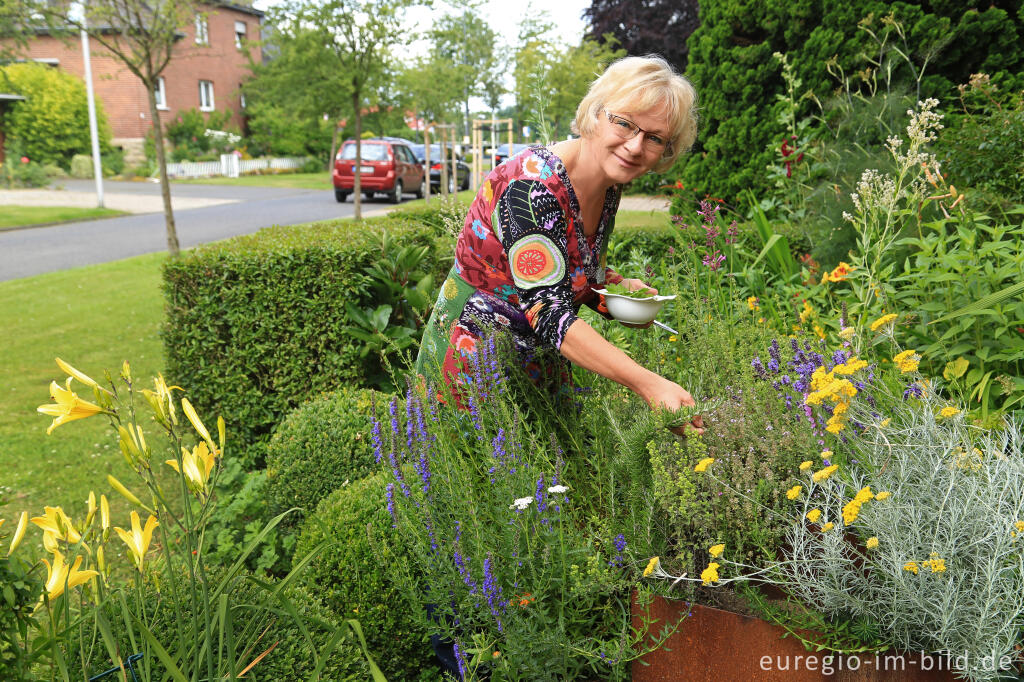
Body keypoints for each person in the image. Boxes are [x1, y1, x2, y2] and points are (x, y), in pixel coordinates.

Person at [415, 55, 703, 436]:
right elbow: (548, 310)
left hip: (539, 359)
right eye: (625, 123)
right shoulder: (531, 187)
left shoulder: (608, 184)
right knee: (479, 482)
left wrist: (612, 292)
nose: (635, 146)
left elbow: (562, 266)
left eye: (653, 138)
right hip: (474, 361)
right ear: (596, 114)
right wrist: (650, 385)